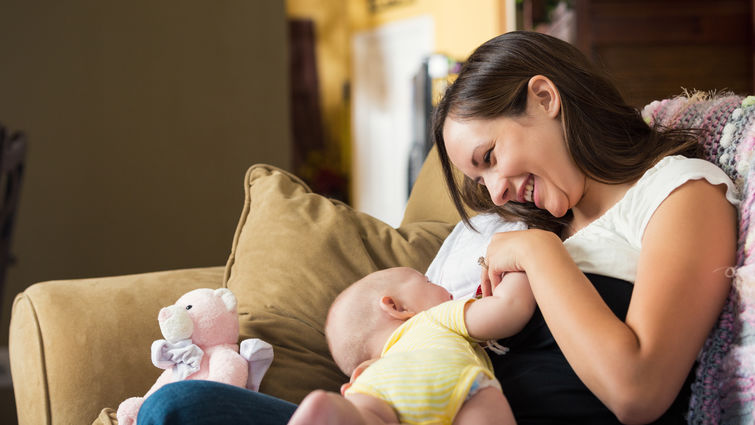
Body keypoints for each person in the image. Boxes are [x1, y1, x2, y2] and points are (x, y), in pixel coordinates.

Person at [137, 31, 739, 424]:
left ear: (545, 97)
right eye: (483, 182)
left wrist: (535, 253)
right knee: (180, 406)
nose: (497, 193)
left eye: (489, 158)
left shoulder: (680, 193)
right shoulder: (548, 228)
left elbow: (638, 391)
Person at [287, 266, 535, 425]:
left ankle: (340, 415)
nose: (442, 286)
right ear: (397, 307)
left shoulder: (374, 369)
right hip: (444, 379)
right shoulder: (434, 317)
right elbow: (509, 308)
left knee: (367, 418)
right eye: (427, 281)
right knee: (484, 401)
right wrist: (517, 269)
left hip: (369, 391)